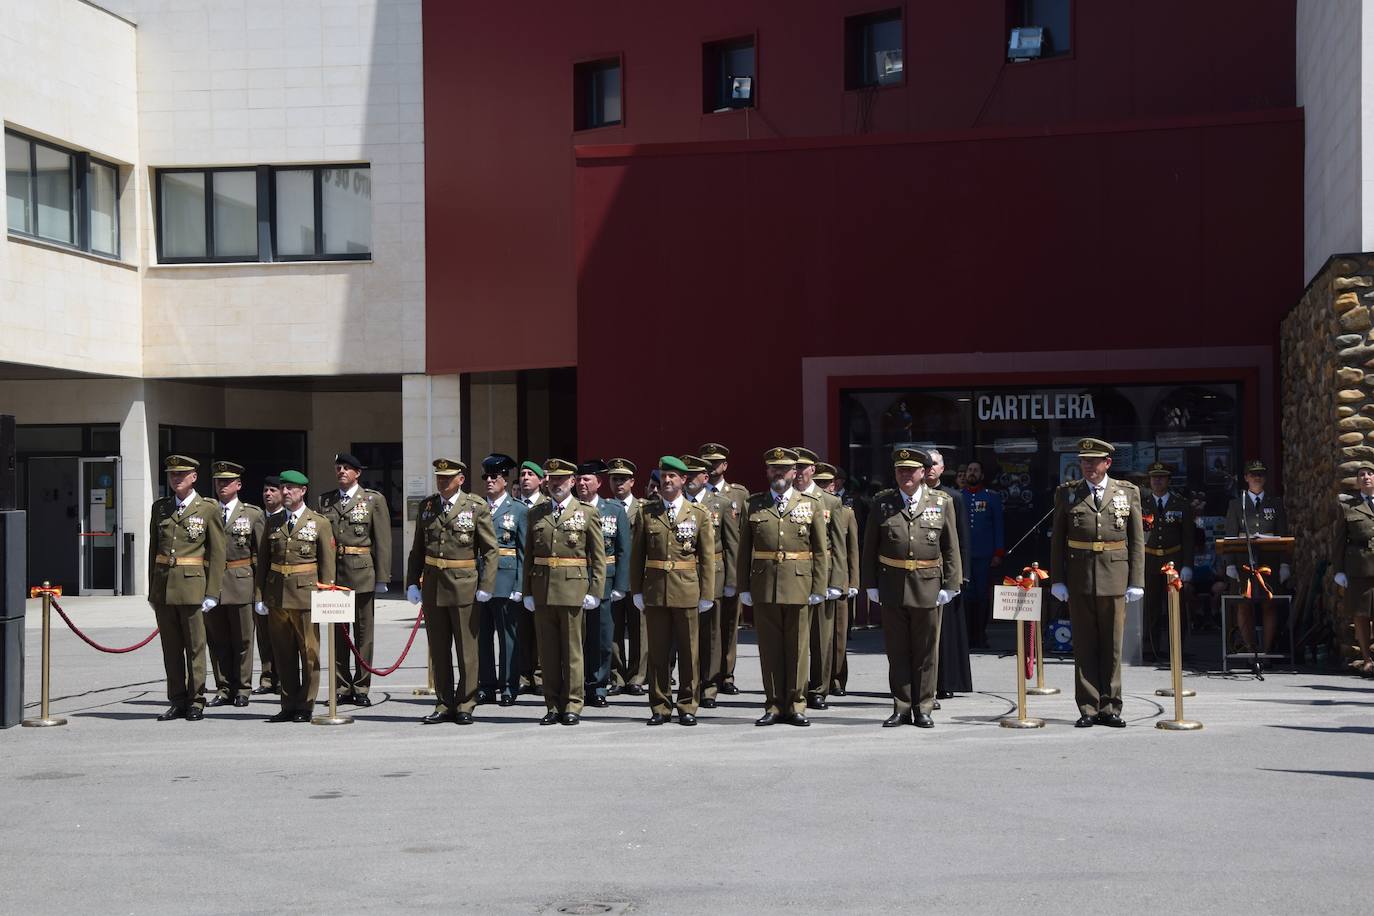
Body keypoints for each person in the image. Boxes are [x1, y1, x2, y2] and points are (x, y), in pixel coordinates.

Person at [861, 447, 961, 728]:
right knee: (897, 651)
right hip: (892, 585)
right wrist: (870, 584)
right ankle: (902, 706)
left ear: (922, 473)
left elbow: (951, 547)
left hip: (929, 586)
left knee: (927, 652)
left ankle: (924, 707)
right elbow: (869, 547)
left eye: (911, 470)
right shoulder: (882, 503)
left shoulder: (941, 502)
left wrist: (951, 584)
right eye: (900, 470)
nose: (905, 475)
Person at [1049, 439, 1144, 728]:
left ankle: (1111, 707)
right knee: (1085, 646)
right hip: (1079, 578)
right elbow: (1058, 541)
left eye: (1094, 461)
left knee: (1113, 647)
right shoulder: (1067, 494)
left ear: (1108, 463)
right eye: (1084, 461)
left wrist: (1136, 580)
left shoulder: (1127, 492)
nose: (1088, 466)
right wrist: (1058, 580)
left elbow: (1136, 540)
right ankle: (1088, 707)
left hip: (1115, 577)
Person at [737, 448, 828, 726]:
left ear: (794, 472)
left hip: (799, 583)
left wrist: (818, 587)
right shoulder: (753, 504)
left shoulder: (810, 503)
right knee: (770, 649)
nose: (779, 473)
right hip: (765, 585)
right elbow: (743, 550)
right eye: (774, 468)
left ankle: (797, 704)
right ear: (767, 472)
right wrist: (743, 587)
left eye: (785, 468)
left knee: (798, 648)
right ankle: (774, 704)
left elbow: (821, 551)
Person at [406, 458, 498, 724]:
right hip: (434, 585)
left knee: (466, 649)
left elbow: (490, 550)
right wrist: (412, 581)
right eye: (439, 477)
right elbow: (417, 550)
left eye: (448, 478)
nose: (442, 482)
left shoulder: (475, 506)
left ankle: (466, 702)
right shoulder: (428, 506)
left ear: (461, 480)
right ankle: (444, 702)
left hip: (464, 585)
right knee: (439, 648)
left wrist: (486, 585)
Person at [520, 458, 607, 725]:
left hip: (573, 589)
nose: (556, 484)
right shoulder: (536, 512)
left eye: (561, 479)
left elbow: (598, 556)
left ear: (572, 482)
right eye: (552, 479)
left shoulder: (587, 512)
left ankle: (573, 704)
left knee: (572, 652)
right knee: (547, 653)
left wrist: (595, 590)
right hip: (543, 588)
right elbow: (529, 557)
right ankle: (552, 704)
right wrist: (527, 592)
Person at [631, 456, 715, 725]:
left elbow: (707, 558)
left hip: (687, 589)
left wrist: (707, 594)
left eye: (672, 477)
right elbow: (637, 556)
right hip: (655, 590)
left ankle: (688, 705)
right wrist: (637, 590)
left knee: (690, 653)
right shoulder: (647, 512)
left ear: (683, 481)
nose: (667, 481)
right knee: (658, 652)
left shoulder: (698, 513)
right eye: (664, 476)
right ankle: (659, 705)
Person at [147, 455, 226, 721]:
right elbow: (153, 551)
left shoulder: (208, 508)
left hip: (193, 587)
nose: (175, 479)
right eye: (171, 475)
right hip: (165, 587)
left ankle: (196, 699)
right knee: (171, 648)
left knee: (195, 647)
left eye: (181, 475)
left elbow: (217, 554)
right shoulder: (160, 508)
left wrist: (213, 592)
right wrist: (152, 589)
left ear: (193, 478)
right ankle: (177, 699)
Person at [255, 470, 335, 723]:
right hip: (277, 595)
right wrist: (260, 595)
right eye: (283, 488)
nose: (286, 492)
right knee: (283, 653)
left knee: (309, 652)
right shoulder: (273, 522)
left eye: (291, 488)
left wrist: (326, 593)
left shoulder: (319, 522)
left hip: (306, 595)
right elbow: (264, 562)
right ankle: (288, 703)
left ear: (303, 491)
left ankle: (306, 704)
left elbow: (327, 563)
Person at [317, 452, 392, 707]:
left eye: (347, 468)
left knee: (362, 633)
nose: (341, 472)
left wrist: (382, 576)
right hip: (335, 574)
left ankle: (361, 687)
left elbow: (382, 540)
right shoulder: (326, 500)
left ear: (357, 473)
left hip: (361, 571)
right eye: (338, 467)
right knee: (339, 634)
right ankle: (341, 685)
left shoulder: (372, 500)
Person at [793, 446, 847, 712]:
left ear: (813, 470)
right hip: (794, 574)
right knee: (797, 635)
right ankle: (797, 687)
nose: (799, 473)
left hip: (822, 573)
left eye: (803, 468)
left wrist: (838, 582)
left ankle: (818, 689)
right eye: (796, 468)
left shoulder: (830, 501)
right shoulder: (788, 498)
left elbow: (838, 546)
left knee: (822, 637)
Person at [206, 460, 263, 709]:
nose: (222, 486)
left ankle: (243, 689)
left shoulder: (252, 514)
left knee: (243, 641)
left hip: (241, 582)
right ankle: (224, 687)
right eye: (219, 481)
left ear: (238, 484)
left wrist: (260, 593)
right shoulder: (207, 512)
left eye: (227, 482)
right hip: (213, 584)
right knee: (218, 640)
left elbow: (260, 555)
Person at [574, 459, 630, 708]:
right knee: (575, 637)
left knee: (602, 637)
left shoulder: (614, 510)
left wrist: (621, 584)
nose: (582, 484)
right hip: (574, 579)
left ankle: (598, 686)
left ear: (599, 482)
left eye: (587, 479)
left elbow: (623, 550)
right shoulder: (570, 508)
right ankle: (576, 684)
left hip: (605, 580)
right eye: (579, 479)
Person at [685, 454, 738, 709]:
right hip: (682, 577)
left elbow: (732, 544)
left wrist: (733, 580)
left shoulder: (722, 504)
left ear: (705, 478)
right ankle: (689, 684)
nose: (690, 481)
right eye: (688, 475)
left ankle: (709, 686)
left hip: (714, 574)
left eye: (695, 475)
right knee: (685, 635)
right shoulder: (674, 503)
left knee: (711, 634)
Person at [1224, 459, 1289, 658]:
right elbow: (1230, 535)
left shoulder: (1275, 503)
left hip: (1269, 562)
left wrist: (1286, 563)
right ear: (1246, 478)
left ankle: (1267, 652)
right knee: (1244, 604)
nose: (1257, 478)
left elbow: (1284, 533)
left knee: (1269, 604)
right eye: (1253, 474)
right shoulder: (1237, 504)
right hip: (1244, 561)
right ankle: (1251, 651)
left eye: (1260, 474)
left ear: (1265, 478)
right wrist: (1230, 564)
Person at [699, 443, 750, 695]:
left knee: (729, 624)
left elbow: (738, 540)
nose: (711, 466)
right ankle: (706, 674)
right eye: (707, 462)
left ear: (725, 465)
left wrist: (735, 577)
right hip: (703, 570)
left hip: (728, 566)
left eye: (716, 462)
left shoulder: (738, 494)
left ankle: (726, 674)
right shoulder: (694, 494)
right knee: (708, 626)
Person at [477, 453, 527, 706]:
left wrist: (520, 586)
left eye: (494, 476)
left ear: (505, 480)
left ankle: (509, 686)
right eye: (485, 476)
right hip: (479, 581)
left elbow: (523, 551)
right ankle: (486, 685)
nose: (489, 481)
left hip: (507, 582)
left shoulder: (518, 509)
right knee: (481, 637)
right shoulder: (476, 507)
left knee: (508, 638)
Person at [928, 450, 973, 700]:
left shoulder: (952, 496)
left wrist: (962, 573)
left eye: (935, 464)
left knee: (948, 631)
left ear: (943, 468)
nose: (930, 468)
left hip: (947, 572)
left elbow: (962, 538)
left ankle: (946, 681)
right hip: (924, 572)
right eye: (927, 464)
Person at [1141, 461, 1194, 662]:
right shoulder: (1142, 505)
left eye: (1161, 477)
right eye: (1154, 477)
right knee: (1150, 607)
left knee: (1175, 607)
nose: (1157, 481)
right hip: (1150, 560)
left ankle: (1177, 649)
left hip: (1174, 560)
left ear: (1169, 480)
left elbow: (1188, 538)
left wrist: (1188, 565)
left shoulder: (1181, 505)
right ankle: (1150, 648)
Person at [815, 464, 859, 697]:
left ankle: (837, 678)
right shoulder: (807, 508)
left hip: (839, 578)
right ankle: (818, 678)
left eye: (827, 484)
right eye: (819, 483)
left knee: (839, 635)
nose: (823, 488)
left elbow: (852, 550)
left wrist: (853, 582)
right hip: (816, 578)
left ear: (834, 484)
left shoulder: (845, 511)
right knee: (818, 635)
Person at [606, 457, 648, 696]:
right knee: (613, 629)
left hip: (637, 575)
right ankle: (617, 676)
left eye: (623, 479)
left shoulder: (643, 508)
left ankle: (637, 677)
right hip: (612, 575)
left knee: (639, 630)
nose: (618, 484)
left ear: (632, 482)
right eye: (614, 479)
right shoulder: (605, 508)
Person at [1332, 460, 1374, 676]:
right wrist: (1338, 570)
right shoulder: (1348, 506)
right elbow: (1339, 540)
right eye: (1362, 475)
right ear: (1357, 482)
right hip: (1359, 567)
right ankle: (1367, 658)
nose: (1366, 477)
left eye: (1369, 473)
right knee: (1361, 615)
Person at [961, 460, 1004, 649]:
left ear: (981, 475)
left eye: (975, 470)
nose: (972, 473)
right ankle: (968, 635)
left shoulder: (991, 497)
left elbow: (999, 526)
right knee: (967, 595)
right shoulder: (958, 496)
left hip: (985, 554)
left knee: (982, 596)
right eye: (969, 470)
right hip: (964, 555)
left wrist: (998, 551)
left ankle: (981, 634)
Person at [251, 475, 286, 695]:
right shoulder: (255, 518)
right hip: (257, 579)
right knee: (263, 635)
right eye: (265, 490)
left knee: (282, 635)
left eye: (273, 490)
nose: (268, 494)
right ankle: (267, 678)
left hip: (282, 581)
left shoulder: (287, 518)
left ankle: (284, 678)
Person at [515, 460, 547, 694]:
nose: (525, 478)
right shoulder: (514, 506)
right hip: (520, 575)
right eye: (522, 474)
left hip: (543, 575)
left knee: (542, 631)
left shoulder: (547, 506)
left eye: (530, 474)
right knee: (522, 629)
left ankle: (541, 675)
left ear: (541, 480)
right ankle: (524, 675)